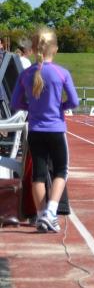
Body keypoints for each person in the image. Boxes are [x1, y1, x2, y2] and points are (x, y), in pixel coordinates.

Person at [10, 28, 79, 233]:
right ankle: (51, 211)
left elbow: (15, 103)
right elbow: (74, 102)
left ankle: (41, 216)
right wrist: (60, 107)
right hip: (56, 129)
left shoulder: (25, 74)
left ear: (33, 48)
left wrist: (32, 108)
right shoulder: (61, 73)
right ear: (55, 49)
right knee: (61, 170)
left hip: (35, 130)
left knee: (38, 174)